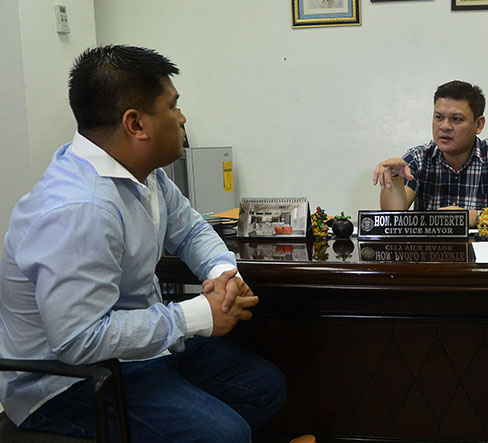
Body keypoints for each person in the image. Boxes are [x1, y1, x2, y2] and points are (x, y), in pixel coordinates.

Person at [0, 45, 286, 441]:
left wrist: (222, 273)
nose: (183, 118)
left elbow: (191, 230)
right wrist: (196, 317)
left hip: (135, 351)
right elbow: (79, 341)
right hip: (69, 384)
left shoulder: (145, 175)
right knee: (226, 434)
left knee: (262, 385)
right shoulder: (80, 208)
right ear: (136, 124)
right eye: (173, 106)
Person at [373, 80, 488, 227]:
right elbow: (393, 214)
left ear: (478, 125)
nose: (445, 126)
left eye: (456, 119)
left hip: (482, 256)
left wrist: (474, 216)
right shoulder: (418, 158)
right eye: (439, 117)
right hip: (431, 257)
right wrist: (395, 177)